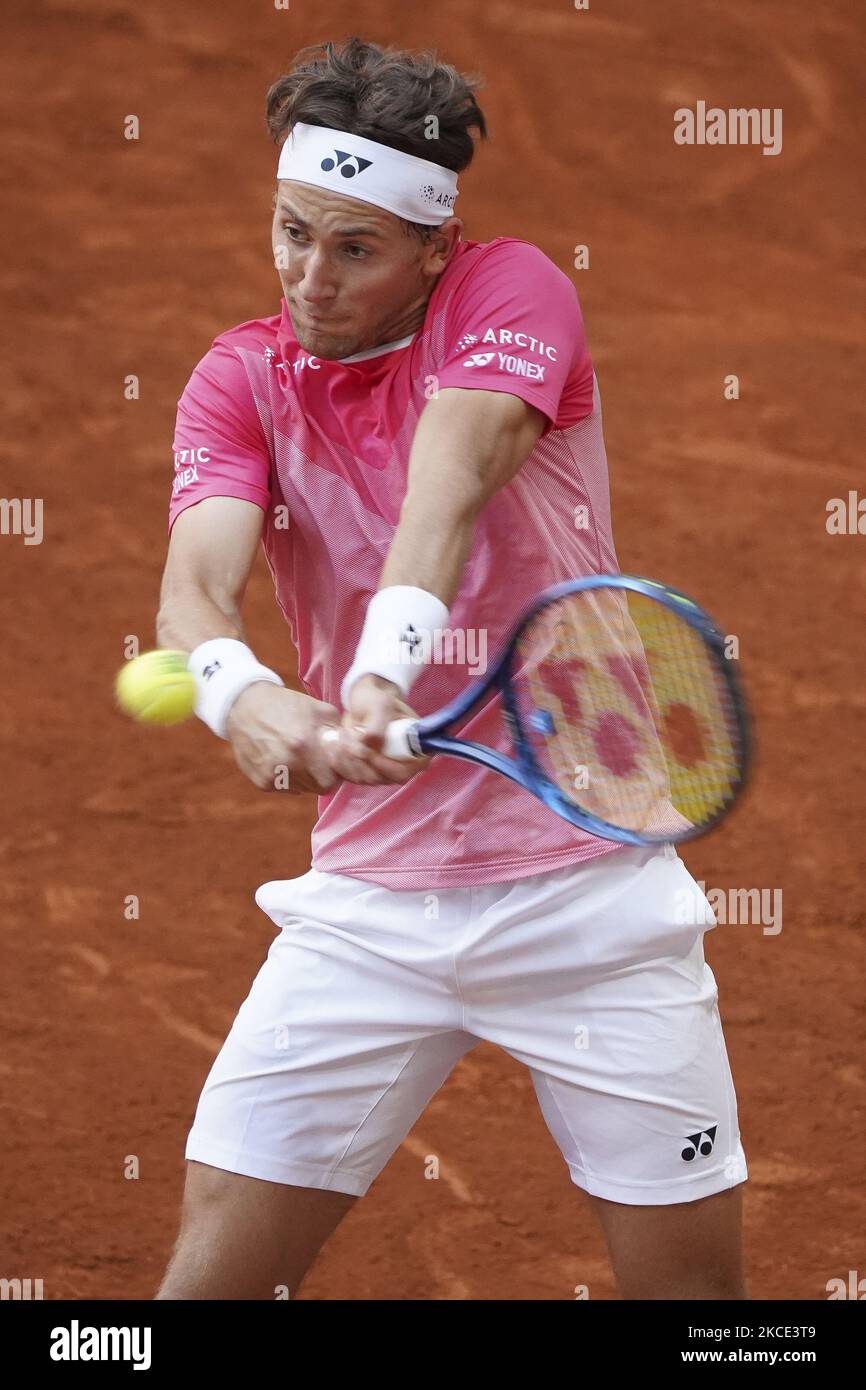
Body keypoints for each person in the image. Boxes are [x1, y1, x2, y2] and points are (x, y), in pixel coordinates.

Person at [154, 36, 748, 1301]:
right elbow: (194, 587)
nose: (311, 276)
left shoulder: (512, 289)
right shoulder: (237, 379)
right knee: (199, 1294)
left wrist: (377, 674)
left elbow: (451, 479)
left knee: (698, 1315)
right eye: (290, 231)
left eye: (355, 248)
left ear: (434, 247)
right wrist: (245, 699)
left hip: (588, 885)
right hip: (368, 906)